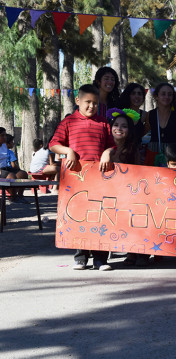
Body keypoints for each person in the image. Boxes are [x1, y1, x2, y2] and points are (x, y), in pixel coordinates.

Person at [49, 84, 116, 271]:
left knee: (100, 215)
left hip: (101, 177)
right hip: (77, 177)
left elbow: (112, 145)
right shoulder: (69, 122)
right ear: (77, 101)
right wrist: (68, 151)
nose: (91, 106)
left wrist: (107, 153)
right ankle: (81, 256)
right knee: (80, 216)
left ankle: (101, 259)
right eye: (87, 102)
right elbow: (54, 144)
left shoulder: (103, 123)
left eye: (95, 103)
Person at [99, 109, 147, 266]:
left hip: (129, 191)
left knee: (133, 219)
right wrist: (107, 151)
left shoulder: (133, 148)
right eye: (116, 125)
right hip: (107, 192)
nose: (119, 128)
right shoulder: (103, 146)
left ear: (130, 130)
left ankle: (137, 253)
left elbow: (138, 170)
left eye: (124, 126)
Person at [145, 83, 176, 166]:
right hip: (153, 153)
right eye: (163, 94)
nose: (167, 97)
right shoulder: (150, 114)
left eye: (170, 94)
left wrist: (173, 141)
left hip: (173, 154)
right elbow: (144, 130)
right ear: (157, 96)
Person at [0, 130, 28, 202]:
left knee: (23, 174)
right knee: (11, 176)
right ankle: (13, 197)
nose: (5, 137)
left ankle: (20, 196)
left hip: (5, 168)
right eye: (2, 135)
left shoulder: (3, 146)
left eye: (5, 135)